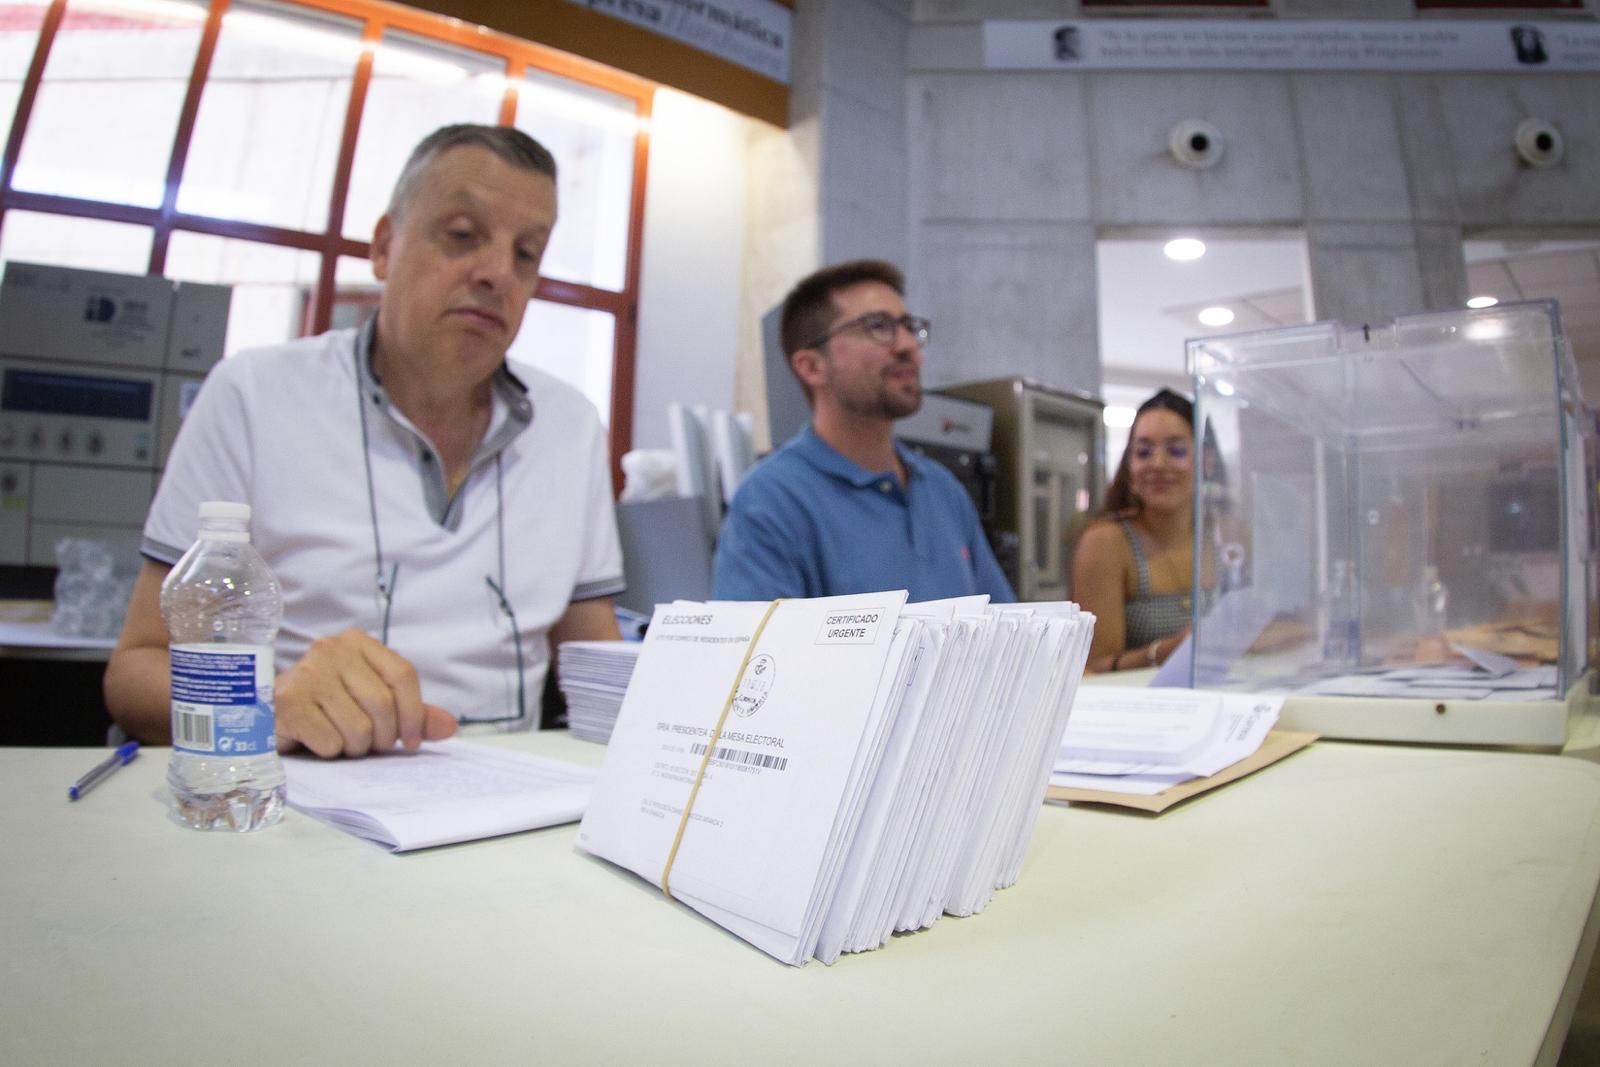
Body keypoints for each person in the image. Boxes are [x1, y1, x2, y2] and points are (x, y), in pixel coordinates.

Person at [105, 124, 624, 757]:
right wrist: (268, 704)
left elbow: (598, 673)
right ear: (383, 247)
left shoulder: (570, 428)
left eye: (527, 253)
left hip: (504, 802)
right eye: (462, 236)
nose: (497, 273)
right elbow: (135, 672)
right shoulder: (255, 395)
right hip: (305, 791)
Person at [712, 259, 1013, 603]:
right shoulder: (771, 501)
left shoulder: (943, 492)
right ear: (812, 366)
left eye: (908, 326)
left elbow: (1006, 630)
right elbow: (761, 656)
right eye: (877, 326)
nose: (907, 346)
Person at [1073, 388, 1210, 673]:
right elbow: (1092, 667)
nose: (1158, 464)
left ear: (1205, 463)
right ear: (1129, 468)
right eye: (1144, 451)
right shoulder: (1107, 543)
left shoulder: (1226, 536)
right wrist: (1165, 652)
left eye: (1176, 450)